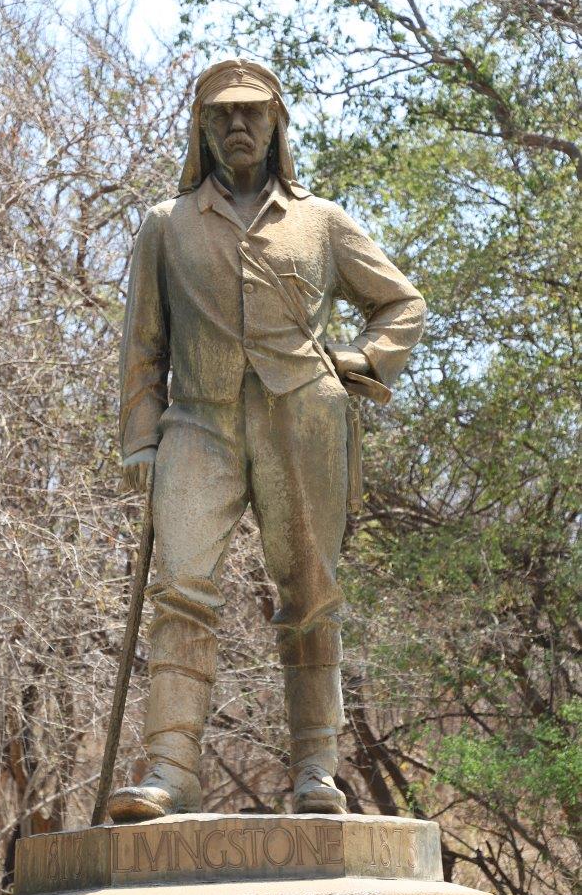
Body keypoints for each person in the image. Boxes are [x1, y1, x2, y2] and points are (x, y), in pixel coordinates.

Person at [109, 59, 426, 822]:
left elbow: (402, 304)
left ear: (277, 121)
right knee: (181, 590)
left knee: (311, 594)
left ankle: (317, 770)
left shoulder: (321, 222)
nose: (238, 124)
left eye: (252, 110)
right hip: (199, 423)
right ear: (202, 127)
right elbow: (143, 346)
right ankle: (170, 769)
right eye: (222, 114)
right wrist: (141, 441)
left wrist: (358, 362)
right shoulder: (166, 224)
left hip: (302, 420)